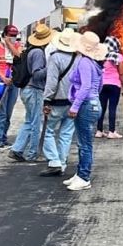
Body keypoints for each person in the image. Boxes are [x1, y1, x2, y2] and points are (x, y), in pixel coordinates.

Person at [64, 31, 107, 192]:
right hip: (93, 103)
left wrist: (75, 106)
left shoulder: (83, 62)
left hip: (86, 105)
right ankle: (79, 174)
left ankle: (84, 177)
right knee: (83, 142)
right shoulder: (95, 65)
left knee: (85, 144)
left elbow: (86, 86)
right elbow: (99, 86)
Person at [8, 24, 53, 162]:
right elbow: (37, 74)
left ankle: (17, 149)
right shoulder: (39, 53)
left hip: (27, 89)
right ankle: (33, 153)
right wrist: (51, 68)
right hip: (34, 90)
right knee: (35, 123)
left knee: (29, 121)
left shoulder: (30, 51)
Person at [40, 30, 80, 177]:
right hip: (73, 102)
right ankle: (62, 163)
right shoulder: (78, 58)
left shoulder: (55, 58)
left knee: (48, 131)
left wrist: (46, 101)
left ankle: (54, 162)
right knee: (66, 134)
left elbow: (51, 82)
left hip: (56, 101)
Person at [0, 24, 22, 148]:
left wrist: (10, 44)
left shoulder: (17, 46)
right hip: (0, 81)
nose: (13, 37)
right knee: (0, 112)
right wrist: (3, 78)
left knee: (8, 112)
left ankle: (3, 136)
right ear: (4, 35)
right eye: (10, 36)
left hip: (13, 81)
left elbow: (18, 56)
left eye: (14, 36)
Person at [96, 36, 123, 139]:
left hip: (102, 85)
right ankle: (111, 131)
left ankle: (99, 131)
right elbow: (122, 73)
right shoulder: (118, 57)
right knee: (112, 108)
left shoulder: (101, 56)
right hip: (114, 86)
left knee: (102, 108)